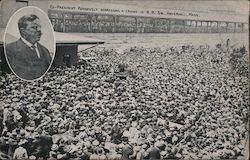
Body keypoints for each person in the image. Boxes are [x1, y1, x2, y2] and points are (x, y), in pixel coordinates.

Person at [5, 14, 52, 80]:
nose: (39, 30)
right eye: (34, 27)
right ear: (23, 31)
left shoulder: (45, 51)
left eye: (39, 27)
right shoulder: (9, 49)